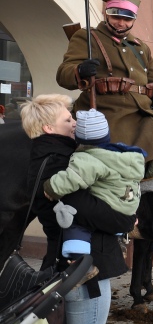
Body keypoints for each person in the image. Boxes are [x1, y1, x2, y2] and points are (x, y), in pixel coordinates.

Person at [21, 94, 134, 324]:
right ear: (48, 128)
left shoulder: (46, 158)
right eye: (68, 119)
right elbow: (88, 210)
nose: (74, 123)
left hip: (70, 267)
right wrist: (127, 219)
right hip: (83, 273)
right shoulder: (61, 164)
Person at [56, 0, 153, 179]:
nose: (121, 23)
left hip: (141, 112)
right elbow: (63, 74)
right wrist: (80, 70)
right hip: (106, 110)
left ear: (134, 20)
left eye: (127, 19)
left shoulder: (141, 47)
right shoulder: (88, 37)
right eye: (116, 16)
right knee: (118, 165)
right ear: (106, 14)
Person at [43, 109, 145, 283]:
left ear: (80, 138)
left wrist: (50, 188)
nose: (72, 122)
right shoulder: (124, 155)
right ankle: (120, 237)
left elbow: (71, 179)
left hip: (112, 207)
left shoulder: (87, 159)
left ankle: (80, 262)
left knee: (75, 219)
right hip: (128, 205)